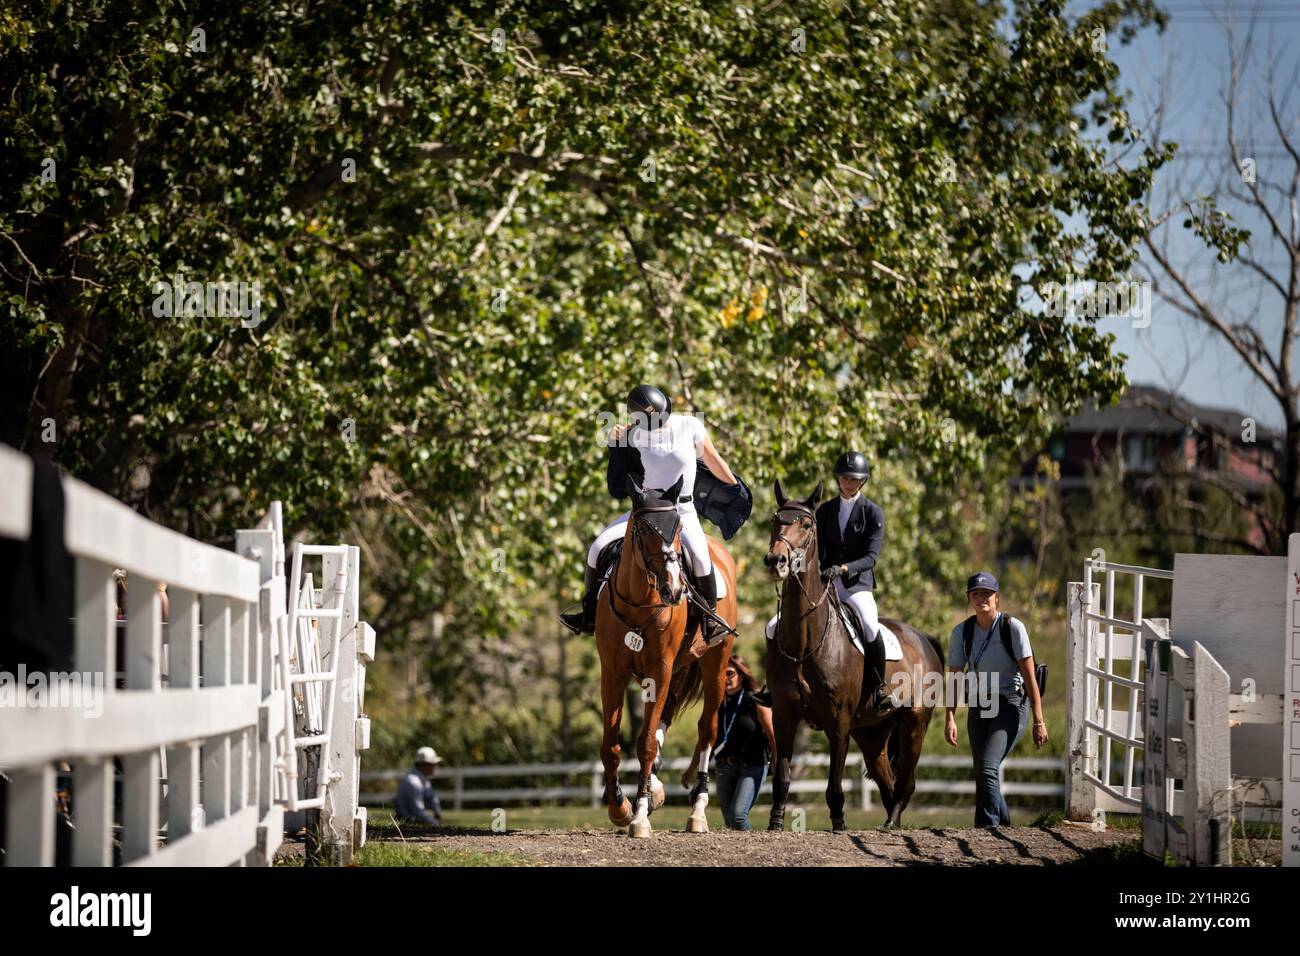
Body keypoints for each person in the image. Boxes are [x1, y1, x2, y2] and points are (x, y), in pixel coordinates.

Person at [559, 384, 747, 649]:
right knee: (597, 548)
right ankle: (590, 617)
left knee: (703, 561)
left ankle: (710, 620)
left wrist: (735, 489)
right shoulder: (631, 436)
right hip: (644, 512)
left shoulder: (690, 425)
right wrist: (617, 447)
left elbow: (713, 459)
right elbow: (616, 488)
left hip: (681, 511)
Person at [764, 450, 891, 711]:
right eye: (844, 478)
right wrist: (790, 566)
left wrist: (844, 568)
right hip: (823, 584)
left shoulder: (873, 513)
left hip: (856, 585)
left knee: (869, 624)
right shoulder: (824, 511)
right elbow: (811, 550)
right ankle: (773, 686)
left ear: (862, 482)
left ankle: (879, 688)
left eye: (854, 479)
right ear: (838, 480)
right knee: (772, 626)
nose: (848, 483)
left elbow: (871, 557)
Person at [943, 572, 1049, 827]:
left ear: (997, 598)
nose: (982, 598)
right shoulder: (962, 632)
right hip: (979, 704)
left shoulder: (1012, 628)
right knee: (982, 771)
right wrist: (949, 718)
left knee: (988, 767)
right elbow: (955, 678)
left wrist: (1039, 719)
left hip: (1011, 703)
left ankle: (988, 828)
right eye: (976, 593)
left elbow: (1030, 676)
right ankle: (1004, 825)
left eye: (987, 594)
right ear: (969, 598)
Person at [713, 656, 776, 830]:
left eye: (730, 673)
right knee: (729, 822)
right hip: (724, 767)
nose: (725, 678)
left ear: (741, 675)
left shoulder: (756, 700)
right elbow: (705, 738)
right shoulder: (717, 703)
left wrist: (778, 760)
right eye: (722, 674)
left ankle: (755, 851)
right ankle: (736, 857)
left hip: (753, 766)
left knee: (738, 816)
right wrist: (692, 768)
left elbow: (772, 734)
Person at [394, 746, 444, 827]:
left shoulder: (423, 779)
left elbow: (432, 798)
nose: (435, 767)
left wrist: (437, 813)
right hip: (408, 822)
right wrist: (435, 823)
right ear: (423, 765)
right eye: (433, 764)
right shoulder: (414, 783)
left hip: (414, 820)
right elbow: (418, 812)